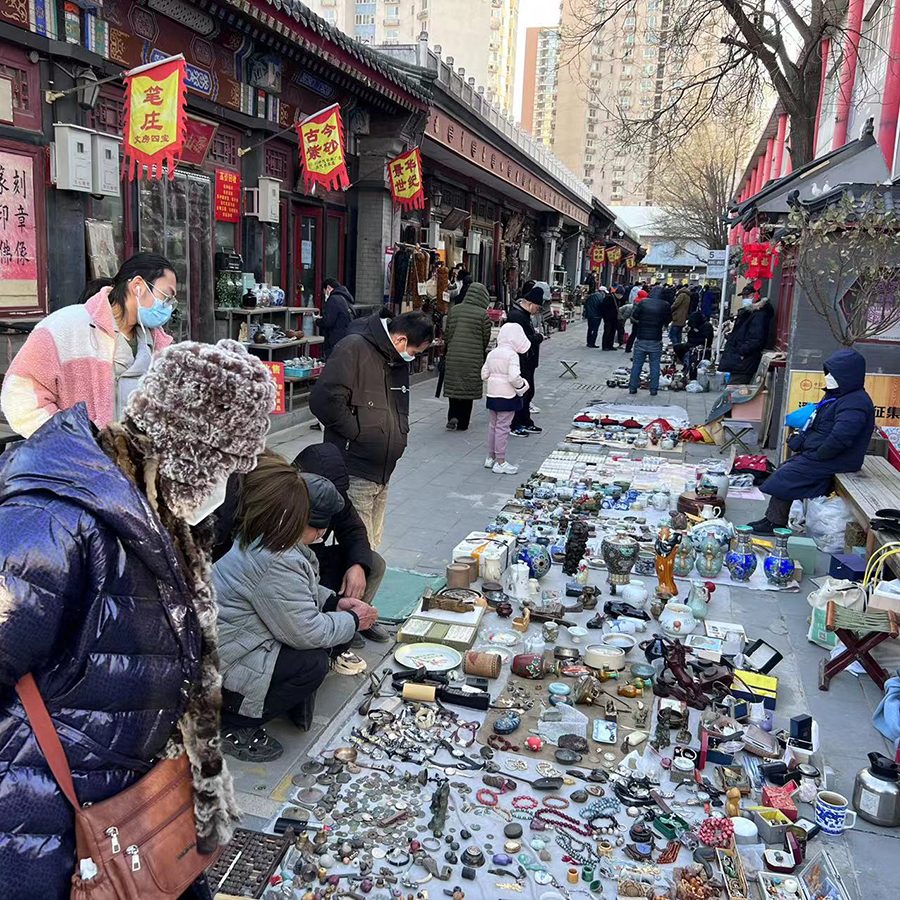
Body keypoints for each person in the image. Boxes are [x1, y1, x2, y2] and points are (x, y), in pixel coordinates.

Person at [0, 339, 275, 898]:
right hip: (49, 829)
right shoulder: (55, 525)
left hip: (132, 812)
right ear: (191, 454)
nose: (225, 490)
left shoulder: (158, 516)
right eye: (227, 469)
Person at [215, 458, 377, 761]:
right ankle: (234, 724)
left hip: (235, 641)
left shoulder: (270, 532)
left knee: (328, 638)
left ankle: (265, 705)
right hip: (227, 660)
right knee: (311, 662)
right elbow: (306, 631)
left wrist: (334, 602)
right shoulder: (274, 556)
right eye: (317, 528)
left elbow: (294, 591)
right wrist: (354, 620)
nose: (320, 535)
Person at [1, 252, 177, 438]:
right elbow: (19, 395)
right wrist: (70, 441)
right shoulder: (65, 326)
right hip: (74, 463)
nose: (169, 306)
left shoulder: (159, 347)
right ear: (137, 286)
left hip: (131, 463)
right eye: (166, 296)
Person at [309, 310, 434, 549]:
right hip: (355, 467)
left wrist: (400, 435)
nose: (414, 358)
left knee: (372, 547)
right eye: (415, 352)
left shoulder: (396, 360)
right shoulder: (354, 348)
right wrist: (358, 434)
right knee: (360, 552)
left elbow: (397, 407)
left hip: (382, 470)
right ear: (401, 340)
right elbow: (324, 400)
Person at [750, 349, 875, 535]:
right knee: (786, 469)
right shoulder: (839, 395)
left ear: (847, 375)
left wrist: (818, 454)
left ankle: (775, 522)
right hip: (826, 454)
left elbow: (841, 437)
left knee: (790, 474)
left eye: (834, 373)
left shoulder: (854, 402)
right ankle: (773, 519)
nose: (828, 377)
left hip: (839, 458)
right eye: (828, 372)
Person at [296, 443, 388, 644]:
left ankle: (360, 616)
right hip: (292, 566)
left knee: (374, 562)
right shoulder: (289, 498)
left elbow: (354, 530)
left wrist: (358, 565)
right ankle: (339, 624)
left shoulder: (336, 495)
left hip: (318, 560)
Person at [482, 322, 531, 474]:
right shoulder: (512, 355)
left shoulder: (492, 353)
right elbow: (514, 377)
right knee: (503, 428)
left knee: (493, 426)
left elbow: (484, 374)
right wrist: (523, 386)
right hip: (507, 396)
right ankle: (500, 461)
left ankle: (490, 457)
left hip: (492, 394)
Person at [444, 281, 492, 431]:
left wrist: (449, 348)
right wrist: (480, 351)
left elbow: (448, 333)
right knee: (467, 390)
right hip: (473, 358)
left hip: (453, 356)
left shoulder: (455, 310)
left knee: (454, 388)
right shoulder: (483, 315)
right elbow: (486, 337)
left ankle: (452, 416)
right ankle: (463, 422)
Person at [508, 282, 548, 436]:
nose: (538, 311)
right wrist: (538, 337)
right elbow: (521, 340)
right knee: (521, 393)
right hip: (520, 360)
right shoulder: (517, 316)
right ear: (530, 304)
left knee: (528, 392)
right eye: (537, 308)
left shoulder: (524, 315)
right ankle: (515, 424)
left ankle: (525, 421)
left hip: (528, 360)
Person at [719, 287, 772, 384]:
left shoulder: (759, 315)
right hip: (739, 360)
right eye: (744, 296)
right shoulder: (747, 313)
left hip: (744, 361)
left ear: (755, 295)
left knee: (735, 390)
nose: (745, 298)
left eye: (748, 296)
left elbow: (756, 339)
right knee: (733, 389)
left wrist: (741, 351)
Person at [628, 285, 671, 396]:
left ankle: (632, 387)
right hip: (656, 339)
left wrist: (642, 322)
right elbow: (668, 319)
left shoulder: (643, 302)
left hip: (641, 337)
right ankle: (653, 389)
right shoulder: (665, 305)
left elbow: (635, 316)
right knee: (655, 365)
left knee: (637, 364)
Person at [321, 277, 355, 358]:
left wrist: (317, 321)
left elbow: (328, 321)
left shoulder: (333, 299)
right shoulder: (347, 298)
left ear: (328, 288)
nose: (325, 294)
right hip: (347, 338)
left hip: (335, 340)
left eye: (324, 291)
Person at [623, 287, 648, 353]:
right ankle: (639, 349)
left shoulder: (636, 300)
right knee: (640, 336)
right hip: (640, 321)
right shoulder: (642, 302)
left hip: (634, 320)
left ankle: (628, 348)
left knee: (633, 334)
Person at [600, 285, 620, 350]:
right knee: (607, 331)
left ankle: (610, 345)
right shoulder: (608, 297)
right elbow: (603, 308)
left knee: (613, 331)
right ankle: (605, 345)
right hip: (608, 318)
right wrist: (605, 316)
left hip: (614, 318)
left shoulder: (616, 299)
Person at [584, 283, 604, 348]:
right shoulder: (601, 297)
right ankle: (592, 343)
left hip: (590, 315)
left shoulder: (591, 296)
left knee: (590, 329)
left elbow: (586, 304)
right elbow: (601, 307)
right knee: (595, 330)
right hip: (596, 316)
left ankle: (588, 342)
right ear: (602, 291)